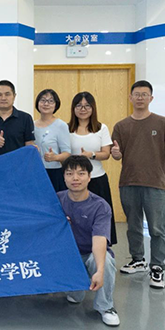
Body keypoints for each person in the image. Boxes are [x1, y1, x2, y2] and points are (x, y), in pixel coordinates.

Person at [111, 80, 165, 289]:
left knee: (157, 228)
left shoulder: (163, 123)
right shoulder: (121, 126)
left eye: (144, 94)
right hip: (128, 182)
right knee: (133, 225)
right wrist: (116, 154)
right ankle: (138, 259)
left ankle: (157, 267)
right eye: (137, 94)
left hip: (155, 182)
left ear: (151, 98)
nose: (140, 98)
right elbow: (117, 154)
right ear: (130, 98)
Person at [57, 155, 120, 327]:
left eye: (81, 173)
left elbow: (99, 240)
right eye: (69, 174)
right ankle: (76, 288)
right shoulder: (57, 200)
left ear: (89, 177)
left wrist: (99, 270)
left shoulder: (100, 206)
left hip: (91, 252)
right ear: (64, 177)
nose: (75, 178)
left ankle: (106, 307)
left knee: (104, 262)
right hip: (69, 256)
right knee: (75, 297)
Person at [68, 91, 117, 245]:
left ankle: (102, 249)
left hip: (96, 178)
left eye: (87, 106)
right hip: (75, 180)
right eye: (79, 106)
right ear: (73, 108)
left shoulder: (101, 128)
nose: (83, 109)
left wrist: (91, 155)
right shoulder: (67, 128)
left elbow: (106, 153)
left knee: (100, 215)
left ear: (93, 108)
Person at [0, 80, 35, 159]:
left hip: (18, 165)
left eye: (7, 94)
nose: (3, 98)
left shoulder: (25, 118)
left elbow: (29, 145)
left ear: (14, 96)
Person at [34, 89, 71, 191]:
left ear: (56, 105)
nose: (46, 104)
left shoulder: (61, 125)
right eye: (43, 100)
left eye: (50, 101)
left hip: (53, 172)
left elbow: (67, 153)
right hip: (35, 172)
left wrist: (55, 157)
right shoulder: (31, 125)